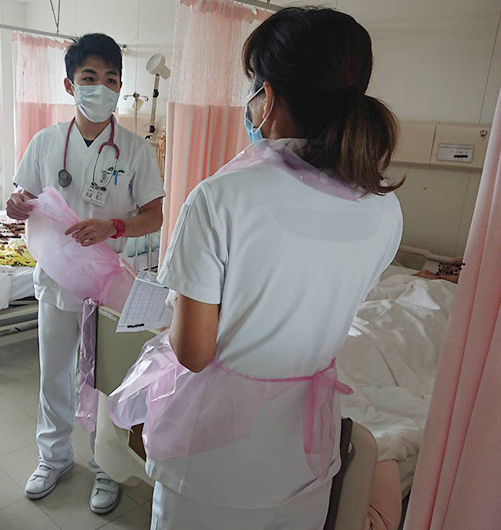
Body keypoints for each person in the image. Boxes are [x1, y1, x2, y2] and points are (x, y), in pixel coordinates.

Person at [149, 7, 404, 529]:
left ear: (268, 95)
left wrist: (177, 305)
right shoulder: (383, 208)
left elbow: (193, 354)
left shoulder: (221, 198)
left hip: (214, 465)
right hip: (304, 457)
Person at [6, 33, 164, 514]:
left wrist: (114, 225)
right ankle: (53, 458)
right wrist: (14, 206)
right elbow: (20, 198)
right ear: (71, 86)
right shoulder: (46, 142)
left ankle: (105, 468)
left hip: (108, 285)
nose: (102, 88)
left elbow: (155, 214)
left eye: (111, 79)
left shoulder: (136, 150)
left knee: (105, 381)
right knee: (54, 374)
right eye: (90, 78)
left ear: (120, 86)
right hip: (56, 282)